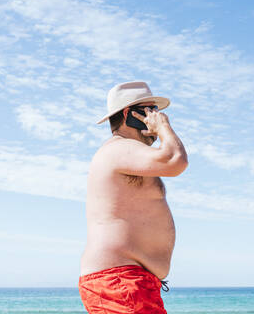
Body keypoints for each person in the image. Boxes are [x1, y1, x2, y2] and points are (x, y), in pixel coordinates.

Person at [78, 81, 188, 313]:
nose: (155, 117)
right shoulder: (118, 149)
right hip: (121, 281)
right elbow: (175, 160)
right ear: (129, 114)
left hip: (129, 282)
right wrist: (164, 128)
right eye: (150, 111)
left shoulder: (130, 154)